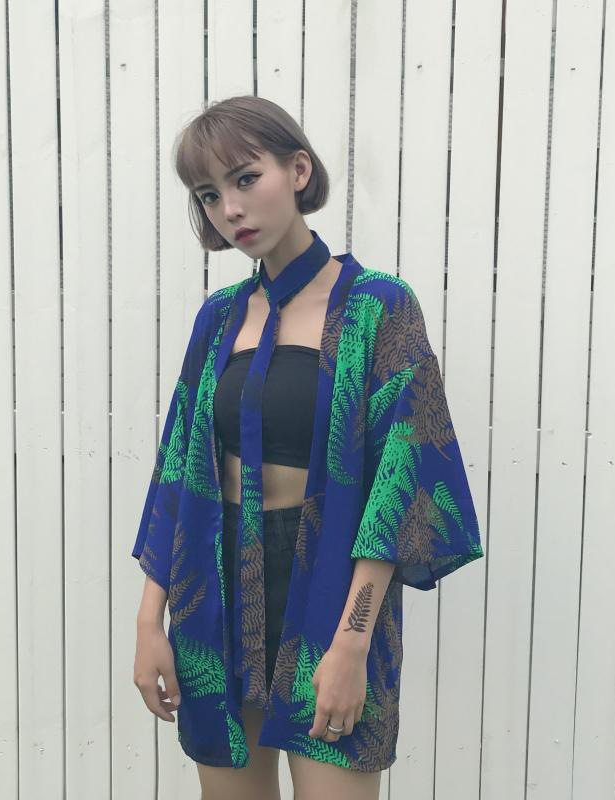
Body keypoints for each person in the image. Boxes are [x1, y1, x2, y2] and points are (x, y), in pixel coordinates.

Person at [132, 95, 483, 800]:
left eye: (245, 178)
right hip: (217, 589)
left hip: (331, 587)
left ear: (297, 170)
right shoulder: (219, 318)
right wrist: (149, 622)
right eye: (209, 194)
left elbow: (402, 484)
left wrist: (352, 641)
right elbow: (178, 472)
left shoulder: (379, 306)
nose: (230, 208)